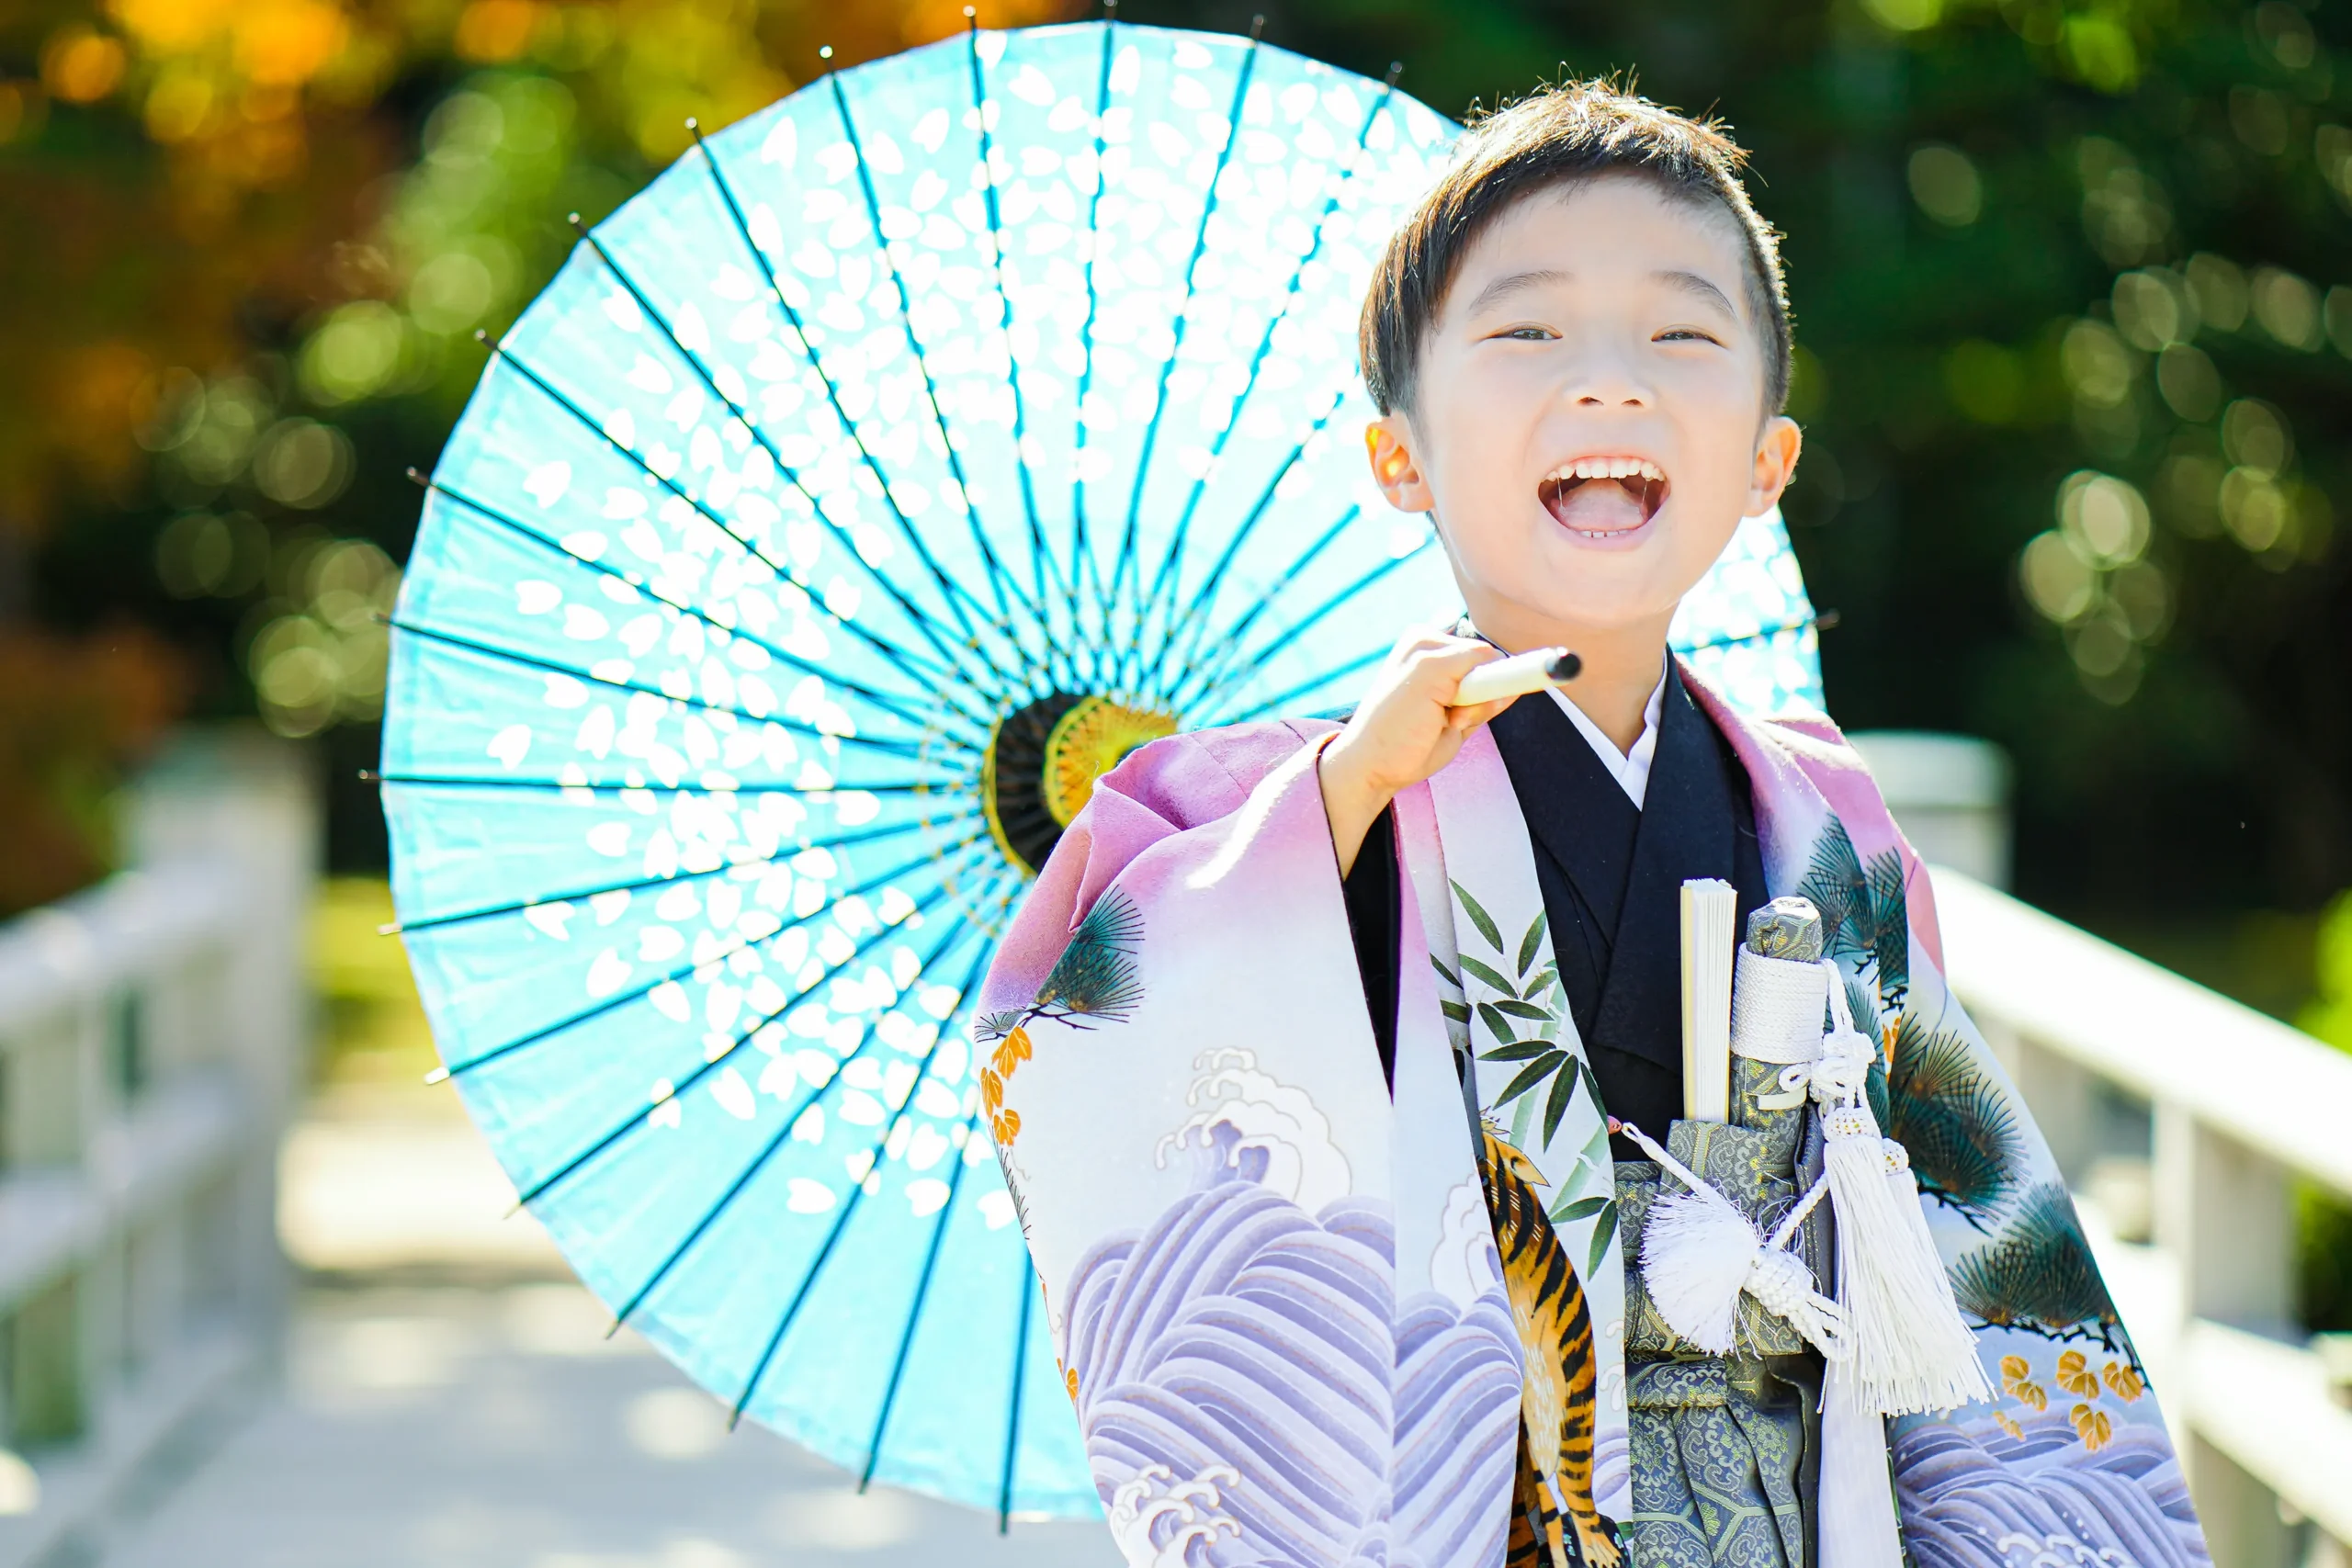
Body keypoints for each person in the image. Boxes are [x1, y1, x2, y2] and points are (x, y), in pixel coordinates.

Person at [975, 81, 2206, 1568]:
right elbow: (1096, 1037)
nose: (1611, 381)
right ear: (1401, 459)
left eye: (1682, 335)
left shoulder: (1825, 821)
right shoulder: (1314, 804)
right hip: (1482, 1513)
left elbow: (1961, 1237)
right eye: (1527, 333)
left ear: (1768, 461)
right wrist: (1343, 804)